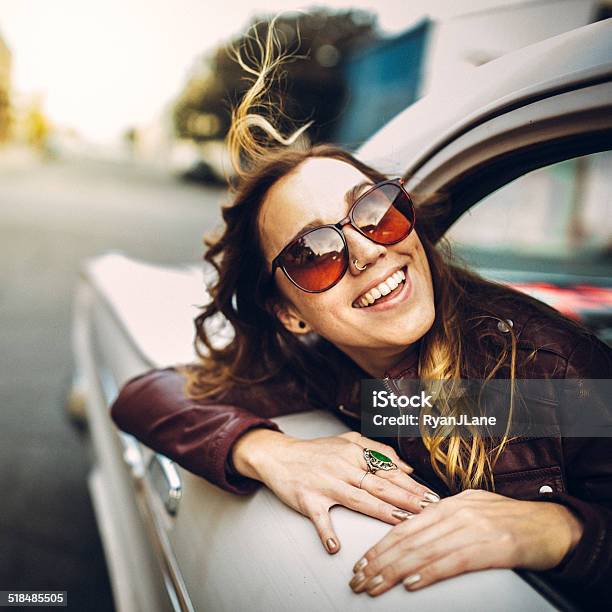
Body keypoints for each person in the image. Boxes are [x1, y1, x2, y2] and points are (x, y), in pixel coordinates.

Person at [110, 17, 612, 606]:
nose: (370, 250)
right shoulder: (320, 366)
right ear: (290, 312)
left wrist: (567, 531)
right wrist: (271, 453)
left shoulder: (551, 370)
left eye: (376, 210)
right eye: (314, 252)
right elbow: (146, 396)